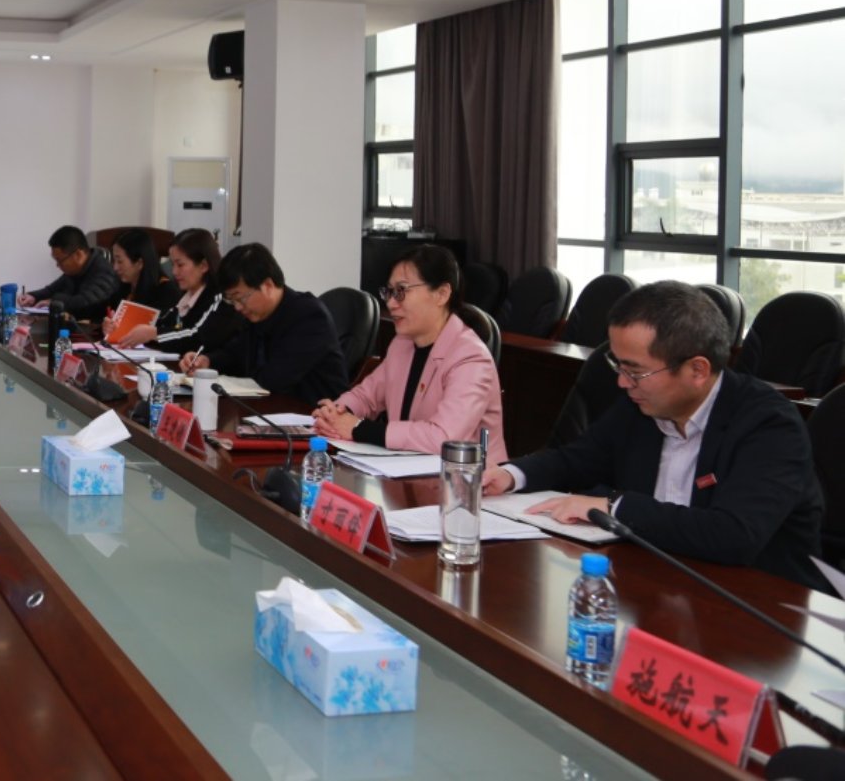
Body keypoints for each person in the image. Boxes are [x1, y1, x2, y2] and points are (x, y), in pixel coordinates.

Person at [483, 281, 828, 591]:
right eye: (618, 366)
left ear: (697, 370)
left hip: (759, 602)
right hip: (657, 582)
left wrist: (613, 508)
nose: (622, 382)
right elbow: (577, 459)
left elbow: (734, 535)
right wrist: (510, 475)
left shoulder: (768, 425)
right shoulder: (640, 407)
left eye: (635, 371)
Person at [313, 244, 505, 456]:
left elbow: (444, 437)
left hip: (472, 475)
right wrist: (336, 413)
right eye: (389, 292)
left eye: (401, 291)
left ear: (442, 294)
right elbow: (366, 396)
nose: (391, 303)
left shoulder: (471, 357)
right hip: (408, 468)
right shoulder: (402, 344)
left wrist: (359, 428)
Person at [181, 243, 349, 404]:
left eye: (240, 298)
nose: (238, 307)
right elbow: (236, 353)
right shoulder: (256, 315)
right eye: (231, 300)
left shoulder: (309, 317)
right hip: (270, 408)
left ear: (268, 285)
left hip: (312, 413)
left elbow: (275, 379)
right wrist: (207, 361)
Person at [114, 228, 240, 355]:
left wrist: (154, 334)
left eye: (180, 265)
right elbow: (165, 323)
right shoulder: (187, 296)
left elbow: (197, 337)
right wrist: (119, 326)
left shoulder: (220, 297)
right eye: (172, 264)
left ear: (203, 266)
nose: (174, 272)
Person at [21, 226, 120, 322]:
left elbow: (84, 303)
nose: (57, 265)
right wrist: (33, 296)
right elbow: (52, 290)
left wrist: (53, 302)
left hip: (94, 329)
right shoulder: (75, 270)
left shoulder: (105, 272)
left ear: (78, 255)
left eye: (60, 260)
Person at [109, 228, 181, 313]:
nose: (115, 267)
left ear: (140, 263)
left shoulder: (166, 293)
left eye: (120, 261)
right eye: (114, 260)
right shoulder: (121, 285)